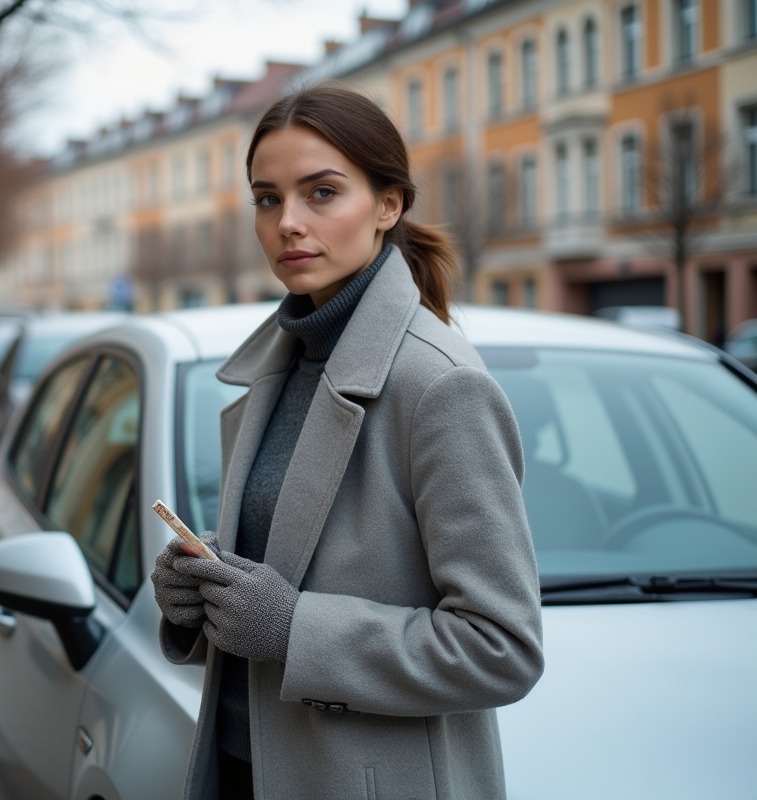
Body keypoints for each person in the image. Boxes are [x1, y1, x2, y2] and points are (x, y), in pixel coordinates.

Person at [150, 85, 544, 800]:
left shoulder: (439, 385)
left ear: (389, 205)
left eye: (321, 193)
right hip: (244, 771)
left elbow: (502, 649)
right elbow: (301, 562)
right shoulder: (278, 366)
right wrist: (200, 592)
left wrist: (293, 627)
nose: (288, 223)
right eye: (267, 199)